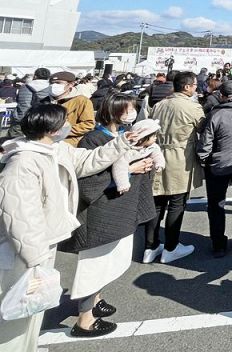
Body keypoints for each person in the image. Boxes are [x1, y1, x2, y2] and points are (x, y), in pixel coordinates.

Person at [0, 104, 141, 349]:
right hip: (23, 251)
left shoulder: (55, 149)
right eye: (65, 122)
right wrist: (35, 261)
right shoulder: (23, 163)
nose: (70, 125)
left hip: (41, 244)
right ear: (53, 129)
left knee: (32, 312)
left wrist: (123, 142)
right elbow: (20, 218)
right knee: (16, 314)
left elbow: (88, 160)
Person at [68, 94, 157, 338]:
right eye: (128, 110)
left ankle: (95, 300)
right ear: (114, 111)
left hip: (119, 209)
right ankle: (85, 319)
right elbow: (87, 182)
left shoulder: (124, 136)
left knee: (109, 261)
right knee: (95, 263)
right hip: (101, 212)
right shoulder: (93, 139)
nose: (132, 114)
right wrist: (129, 170)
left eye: (134, 110)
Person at [143, 72, 203, 264]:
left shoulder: (159, 104)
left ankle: (150, 246)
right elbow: (203, 128)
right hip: (180, 156)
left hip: (157, 154)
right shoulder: (192, 107)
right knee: (177, 203)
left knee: (157, 203)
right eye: (194, 85)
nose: (195, 88)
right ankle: (171, 247)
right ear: (186, 87)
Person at [196, 80, 232, 258]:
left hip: (218, 165)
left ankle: (218, 244)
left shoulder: (216, 115)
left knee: (216, 206)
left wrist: (203, 159)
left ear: (221, 95)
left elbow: (205, 144)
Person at [110, 119, 165, 194]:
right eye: (153, 136)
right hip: (130, 184)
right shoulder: (129, 151)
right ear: (142, 138)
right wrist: (123, 184)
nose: (155, 138)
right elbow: (119, 166)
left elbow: (157, 154)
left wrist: (159, 163)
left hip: (143, 183)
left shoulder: (152, 146)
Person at [44, 71, 95, 147]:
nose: (53, 85)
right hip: (45, 141)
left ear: (71, 84)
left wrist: (62, 131)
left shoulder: (82, 101)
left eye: (58, 83)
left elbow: (88, 124)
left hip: (69, 143)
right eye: (51, 83)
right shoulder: (44, 101)